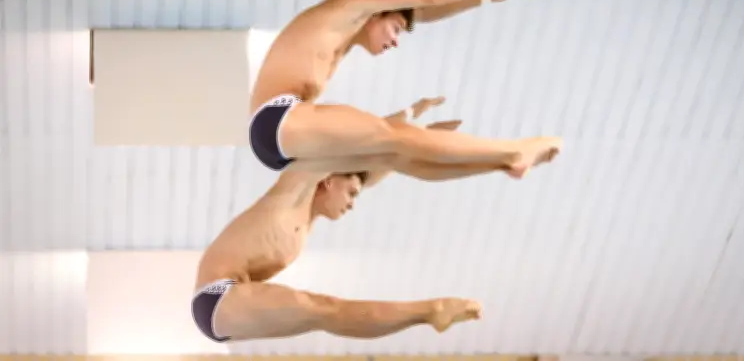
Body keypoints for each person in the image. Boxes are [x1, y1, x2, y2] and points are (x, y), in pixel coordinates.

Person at [192, 97, 558, 343]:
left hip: (226, 304)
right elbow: (363, 146)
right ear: (328, 180)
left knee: (326, 311)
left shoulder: (307, 216)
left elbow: (379, 165)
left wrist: (421, 142)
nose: (353, 203)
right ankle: (429, 311)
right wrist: (404, 123)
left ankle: (503, 160)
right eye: (351, 192)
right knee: (324, 309)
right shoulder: (292, 190)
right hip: (219, 296)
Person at [249, 0, 562, 180]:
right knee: (392, 134)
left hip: (283, 141)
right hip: (276, 119)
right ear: (377, 12)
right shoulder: (353, 3)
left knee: (392, 156)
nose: (396, 40)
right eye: (396, 28)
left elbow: (424, 12)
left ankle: (502, 162)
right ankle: (512, 150)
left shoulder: (343, 35)